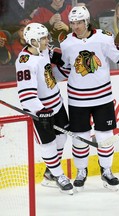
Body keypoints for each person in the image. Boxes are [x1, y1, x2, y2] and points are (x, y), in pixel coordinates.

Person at [56, 5, 119, 192]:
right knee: (80, 138)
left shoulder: (104, 37)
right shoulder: (67, 43)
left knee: (105, 136)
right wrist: (47, 75)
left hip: (102, 97)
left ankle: (106, 170)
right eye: (73, 23)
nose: (76, 26)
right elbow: (65, 69)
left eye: (79, 22)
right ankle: (81, 171)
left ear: (87, 21)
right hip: (77, 99)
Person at [15, 22, 73, 195]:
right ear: (33, 41)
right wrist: (40, 110)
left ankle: (49, 172)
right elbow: (26, 95)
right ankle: (58, 175)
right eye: (43, 38)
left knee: (62, 136)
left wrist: (63, 64)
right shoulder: (25, 62)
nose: (47, 40)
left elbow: (51, 72)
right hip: (40, 110)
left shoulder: (43, 51)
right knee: (48, 143)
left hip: (57, 103)